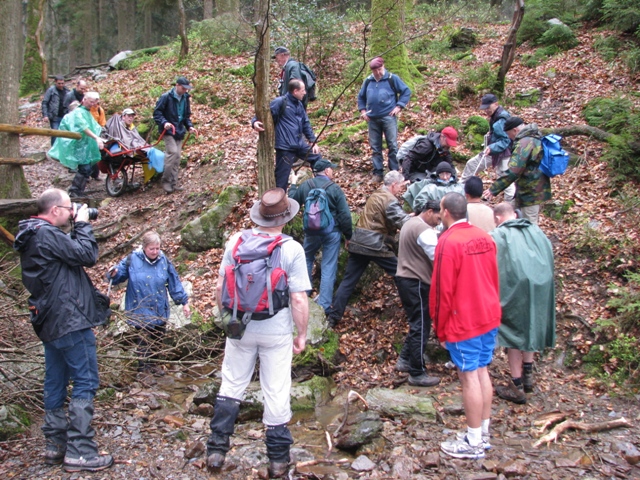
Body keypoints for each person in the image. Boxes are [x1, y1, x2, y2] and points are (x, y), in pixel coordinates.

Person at [207, 188, 310, 478]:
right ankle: (277, 461)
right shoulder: (291, 249)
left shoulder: (236, 241)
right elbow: (299, 299)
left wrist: (227, 319)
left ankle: (216, 451)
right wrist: (301, 334)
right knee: (276, 390)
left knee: (232, 384)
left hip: (239, 328)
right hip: (276, 330)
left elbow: (219, 288)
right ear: (285, 217)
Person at [13, 188, 113, 472]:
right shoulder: (46, 234)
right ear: (55, 210)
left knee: (55, 380)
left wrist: (75, 226)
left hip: (49, 321)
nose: (72, 212)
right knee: (86, 380)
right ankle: (81, 450)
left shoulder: (32, 235)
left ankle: (55, 444)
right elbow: (86, 254)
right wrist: (82, 224)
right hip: (70, 320)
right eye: (69, 209)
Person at [430, 192, 501, 459]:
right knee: (482, 370)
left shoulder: (447, 241)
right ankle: (482, 432)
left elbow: (441, 289)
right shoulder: (484, 236)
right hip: (488, 313)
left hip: (464, 319)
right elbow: (494, 275)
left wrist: (440, 328)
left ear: (446, 212)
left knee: (469, 376)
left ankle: (473, 442)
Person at [325, 171, 411, 327]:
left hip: (358, 242)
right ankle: (411, 309)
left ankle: (333, 317)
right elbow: (401, 220)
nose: (401, 189)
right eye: (400, 186)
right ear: (393, 185)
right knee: (401, 273)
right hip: (375, 244)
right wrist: (417, 221)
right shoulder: (389, 199)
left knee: (348, 282)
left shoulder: (376, 194)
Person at [491, 203, 555, 404]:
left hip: (514, 288)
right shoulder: (536, 231)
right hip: (541, 286)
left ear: (498, 218)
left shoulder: (499, 234)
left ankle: (516, 384)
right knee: (530, 327)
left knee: (512, 333)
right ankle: (528, 376)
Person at [108, 231, 190, 376]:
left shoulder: (164, 260)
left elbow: (174, 281)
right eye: (152, 249)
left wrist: (184, 302)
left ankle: (155, 365)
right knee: (144, 340)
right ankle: (143, 370)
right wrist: (113, 274)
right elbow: (117, 275)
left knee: (158, 338)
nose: (155, 252)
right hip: (140, 307)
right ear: (144, 247)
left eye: (157, 248)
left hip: (159, 306)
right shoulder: (132, 259)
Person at [288, 159, 353, 311]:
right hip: (332, 232)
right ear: (326, 171)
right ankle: (324, 304)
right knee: (328, 265)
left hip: (311, 231)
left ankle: (304, 292)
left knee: (306, 259)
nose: (333, 171)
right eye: (331, 169)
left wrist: (293, 185)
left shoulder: (306, 185)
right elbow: (345, 215)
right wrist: (348, 235)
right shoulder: (334, 188)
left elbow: (292, 203)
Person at [395, 199, 441, 387]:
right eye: (438, 217)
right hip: (417, 281)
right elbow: (437, 257)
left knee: (417, 322)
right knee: (421, 325)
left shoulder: (410, 223)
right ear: (429, 211)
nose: (439, 221)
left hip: (406, 278)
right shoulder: (424, 231)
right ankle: (417, 372)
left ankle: (405, 359)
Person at [252, 79, 322, 191]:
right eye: (303, 90)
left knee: (317, 158)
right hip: (285, 148)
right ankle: (279, 205)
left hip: (299, 144)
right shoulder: (280, 102)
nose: (305, 93)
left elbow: (305, 123)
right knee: (281, 180)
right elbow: (264, 114)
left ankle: (321, 187)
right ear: (295, 91)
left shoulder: (299, 104)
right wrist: (254, 122)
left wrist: (312, 141)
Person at [483, 117, 551, 225]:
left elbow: (514, 171)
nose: (509, 139)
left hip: (531, 193)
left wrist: (494, 189)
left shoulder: (524, 143)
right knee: (509, 213)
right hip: (526, 190)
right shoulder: (533, 137)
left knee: (530, 226)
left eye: (509, 135)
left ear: (515, 130)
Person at [358, 57, 411, 183]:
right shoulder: (368, 81)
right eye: (375, 70)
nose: (378, 72)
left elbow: (406, 91)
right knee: (375, 147)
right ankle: (378, 173)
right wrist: (363, 111)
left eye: (380, 69)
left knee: (392, 145)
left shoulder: (392, 79)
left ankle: (394, 172)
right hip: (372, 119)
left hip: (388, 117)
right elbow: (361, 97)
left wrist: (399, 106)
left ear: (384, 66)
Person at [48, 92, 104, 198]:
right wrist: (96, 138)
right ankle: (74, 192)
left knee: (88, 168)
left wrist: (101, 136)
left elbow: (94, 126)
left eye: (95, 102)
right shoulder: (78, 112)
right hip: (79, 147)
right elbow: (84, 126)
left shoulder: (87, 112)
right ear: (85, 99)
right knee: (85, 168)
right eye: (91, 102)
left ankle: (77, 191)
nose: (93, 104)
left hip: (86, 146)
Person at [461, 94, 514, 202]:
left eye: (488, 107)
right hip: (493, 152)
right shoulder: (496, 116)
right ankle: (460, 191)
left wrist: (492, 146)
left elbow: (506, 140)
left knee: (506, 179)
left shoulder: (501, 119)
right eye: (485, 108)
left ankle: (510, 205)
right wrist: (491, 135)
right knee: (472, 164)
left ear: (496, 104)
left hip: (504, 154)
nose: (486, 110)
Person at [153, 76, 198, 194]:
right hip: (168, 131)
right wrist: (164, 122)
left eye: (186, 89)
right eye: (183, 88)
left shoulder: (185, 98)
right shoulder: (165, 97)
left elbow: (186, 116)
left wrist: (190, 126)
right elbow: (157, 113)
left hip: (179, 130)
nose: (185, 91)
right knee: (172, 152)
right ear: (177, 85)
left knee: (177, 156)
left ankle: (174, 183)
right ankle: (166, 181)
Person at [42, 75, 70, 146]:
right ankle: (53, 152)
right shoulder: (51, 90)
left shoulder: (67, 91)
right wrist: (45, 115)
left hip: (65, 116)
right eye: (59, 83)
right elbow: (45, 102)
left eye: (62, 83)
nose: (61, 85)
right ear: (55, 82)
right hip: (55, 117)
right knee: (55, 134)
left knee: (65, 135)